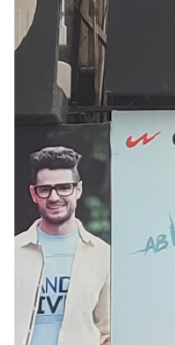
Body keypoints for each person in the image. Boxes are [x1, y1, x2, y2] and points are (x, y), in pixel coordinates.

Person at [14, 146, 111, 345]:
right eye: (45, 189)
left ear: (78, 190)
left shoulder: (103, 255)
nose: (54, 197)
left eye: (64, 187)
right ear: (33, 193)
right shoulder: (11, 253)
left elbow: (108, 332)